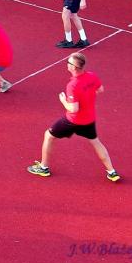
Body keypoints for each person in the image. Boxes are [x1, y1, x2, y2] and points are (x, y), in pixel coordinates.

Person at [27, 53, 120, 182]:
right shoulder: (92, 76)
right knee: (96, 142)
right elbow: (100, 89)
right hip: (89, 119)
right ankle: (112, 171)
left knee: (48, 135)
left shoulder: (73, 85)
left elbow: (73, 109)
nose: (67, 64)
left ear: (74, 67)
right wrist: (87, 95)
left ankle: (43, 167)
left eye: (69, 63)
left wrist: (63, 101)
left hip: (72, 121)